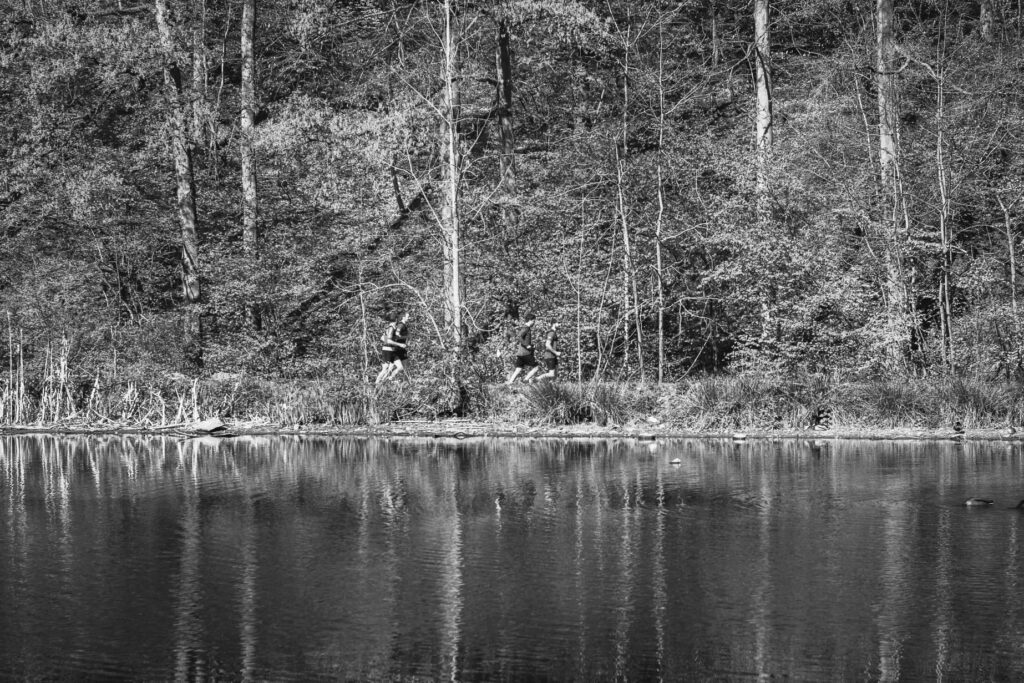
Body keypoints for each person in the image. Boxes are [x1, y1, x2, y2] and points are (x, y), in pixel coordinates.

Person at [506, 314, 540, 384]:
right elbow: (519, 336)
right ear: (530, 320)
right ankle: (525, 380)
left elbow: (524, 340)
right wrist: (527, 345)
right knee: (536, 367)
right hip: (525, 353)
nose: (534, 323)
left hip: (520, 353)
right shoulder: (526, 328)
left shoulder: (525, 328)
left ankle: (510, 383)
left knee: (518, 369)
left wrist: (531, 346)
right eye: (533, 321)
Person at [384, 312, 410, 381]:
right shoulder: (400, 325)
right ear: (403, 317)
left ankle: (405, 382)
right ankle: (386, 380)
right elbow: (396, 335)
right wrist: (406, 337)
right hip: (397, 349)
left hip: (399, 348)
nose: (409, 318)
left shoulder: (403, 325)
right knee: (389, 368)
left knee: (404, 366)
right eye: (408, 317)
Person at [375, 315, 398, 384]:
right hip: (389, 349)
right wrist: (394, 342)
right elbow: (389, 337)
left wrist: (387, 341)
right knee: (387, 367)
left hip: (387, 349)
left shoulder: (387, 328)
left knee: (390, 367)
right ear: (395, 321)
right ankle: (378, 382)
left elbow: (383, 338)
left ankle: (381, 382)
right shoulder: (392, 328)